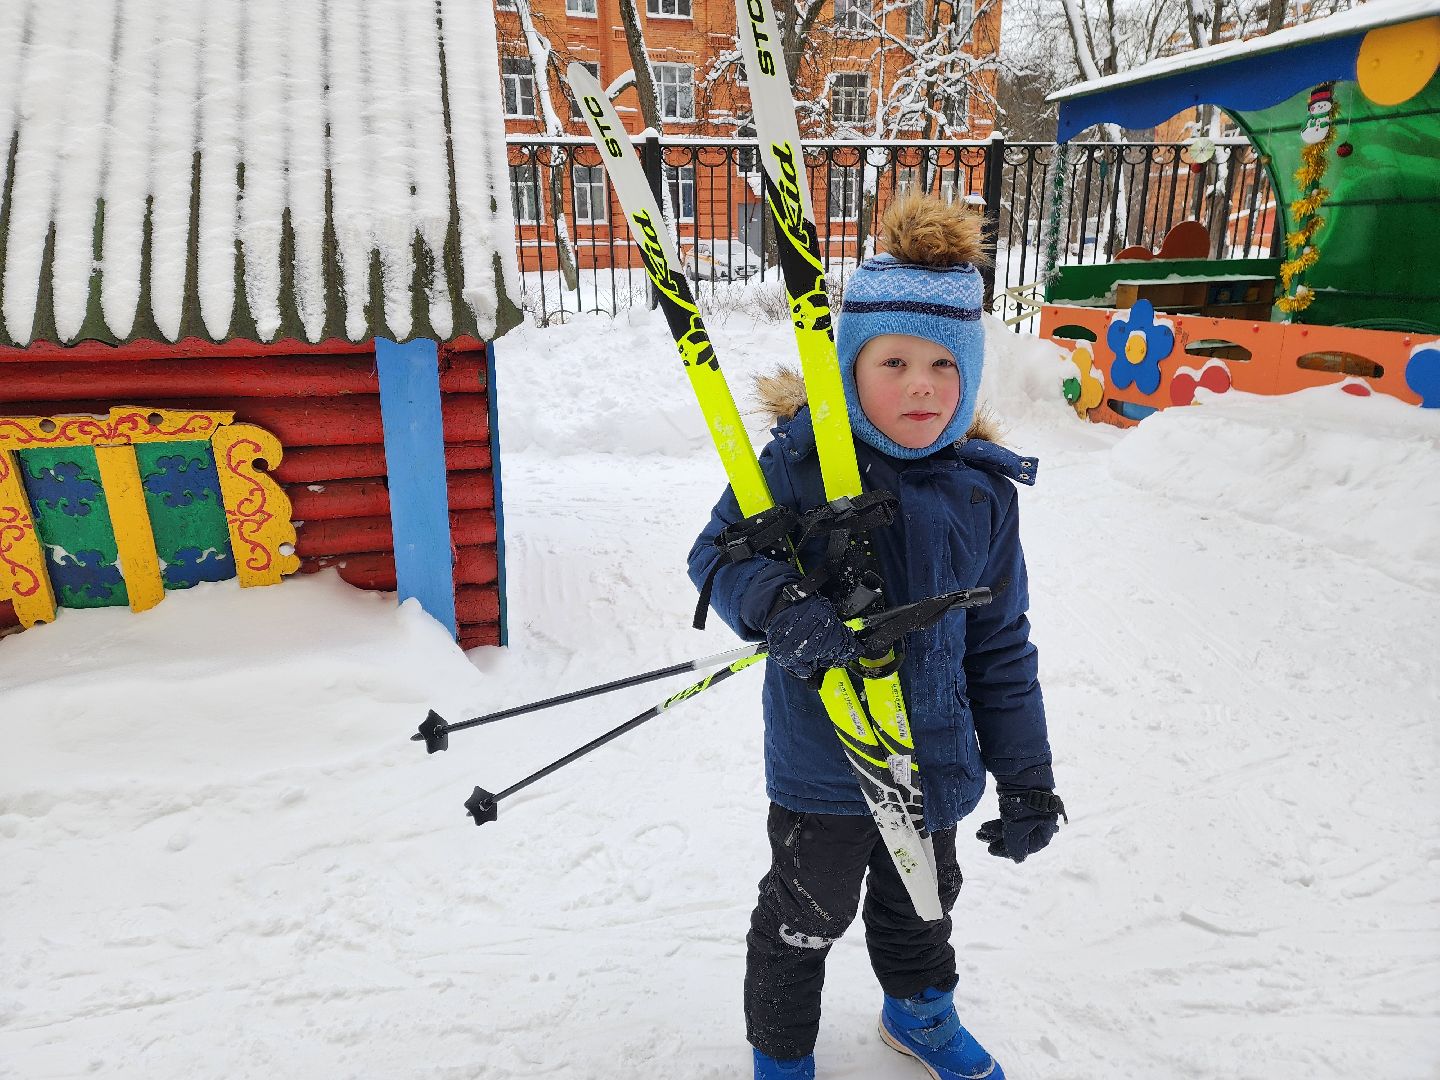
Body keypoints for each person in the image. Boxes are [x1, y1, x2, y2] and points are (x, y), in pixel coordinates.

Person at [687, 194, 1064, 1080]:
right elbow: (716, 556)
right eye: (893, 361)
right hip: (826, 765)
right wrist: (781, 602)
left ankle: (919, 1015)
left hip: (931, 761)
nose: (922, 384)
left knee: (923, 905)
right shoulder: (799, 463)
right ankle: (781, 1056)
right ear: (849, 367)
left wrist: (1029, 780)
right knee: (804, 913)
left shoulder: (983, 494)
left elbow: (1001, 647)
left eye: (943, 363)